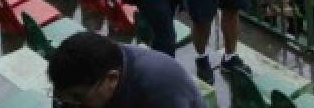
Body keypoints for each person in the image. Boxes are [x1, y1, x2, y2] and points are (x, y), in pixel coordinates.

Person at [48, 31, 206, 108]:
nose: (73, 104)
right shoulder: (83, 82)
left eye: (77, 97)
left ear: (112, 79)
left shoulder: (160, 87)